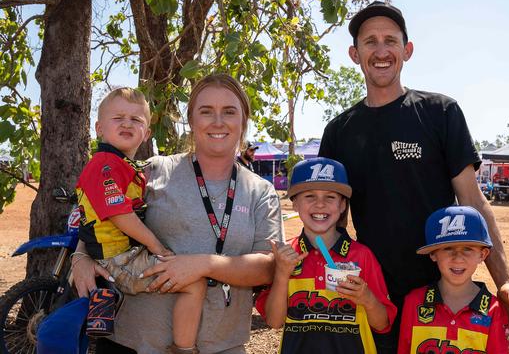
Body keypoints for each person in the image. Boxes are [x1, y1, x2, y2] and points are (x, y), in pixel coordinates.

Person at [318, 1, 509, 353]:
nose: (381, 51)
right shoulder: (338, 131)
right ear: (354, 53)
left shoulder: (440, 113)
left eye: (390, 41)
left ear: (407, 50)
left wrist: (505, 284)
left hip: (443, 295)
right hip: (373, 297)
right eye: (370, 42)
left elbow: (473, 202)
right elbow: (330, 221)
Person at [72, 74, 284, 354]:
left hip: (222, 345)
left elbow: (267, 268)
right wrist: (81, 255)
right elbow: (101, 209)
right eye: (206, 111)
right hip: (132, 344)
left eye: (229, 112)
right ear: (191, 121)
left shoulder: (260, 191)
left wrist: (204, 265)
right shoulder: (151, 170)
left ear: (243, 121)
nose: (217, 121)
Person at [74, 87, 205, 351]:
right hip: (117, 258)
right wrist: (158, 248)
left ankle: (99, 327)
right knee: (194, 283)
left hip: (117, 254)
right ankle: (184, 349)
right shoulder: (105, 165)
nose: (126, 123)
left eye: (136, 119)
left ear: (146, 134)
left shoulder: (126, 167)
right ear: (99, 128)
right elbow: (121, 215)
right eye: (118, 117)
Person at [256, 157, 397, 353]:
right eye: (309, 196)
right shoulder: (286, 255)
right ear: (295, 204)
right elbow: (274, 322)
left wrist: (367, 299)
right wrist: (281, 274)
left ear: (342, 206)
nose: (320, 204)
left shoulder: (362, 256)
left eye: (330, 197)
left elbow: (382, 324)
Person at [398, 206, 509, 353]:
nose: (458, 258)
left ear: (482, 255)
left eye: (468, 249)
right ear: (433, 253)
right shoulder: (414, 302)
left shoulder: (494, 310)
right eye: (448, 248)